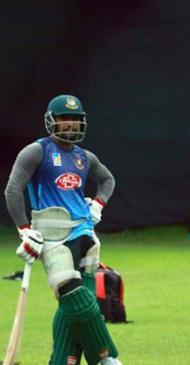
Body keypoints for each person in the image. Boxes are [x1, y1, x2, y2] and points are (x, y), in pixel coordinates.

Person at [4, 95, 122, 365]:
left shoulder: (84, 157)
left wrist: (98, 203)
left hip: (86, 234)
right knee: (76, 297)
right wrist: (24, 229)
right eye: (64, 118)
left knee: (75, 307)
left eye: (75, 119)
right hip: (53, 235)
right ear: (51, 120)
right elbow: (12, 189)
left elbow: (107, 179)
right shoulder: (36, 151)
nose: (70, 124)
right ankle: (106, 358)